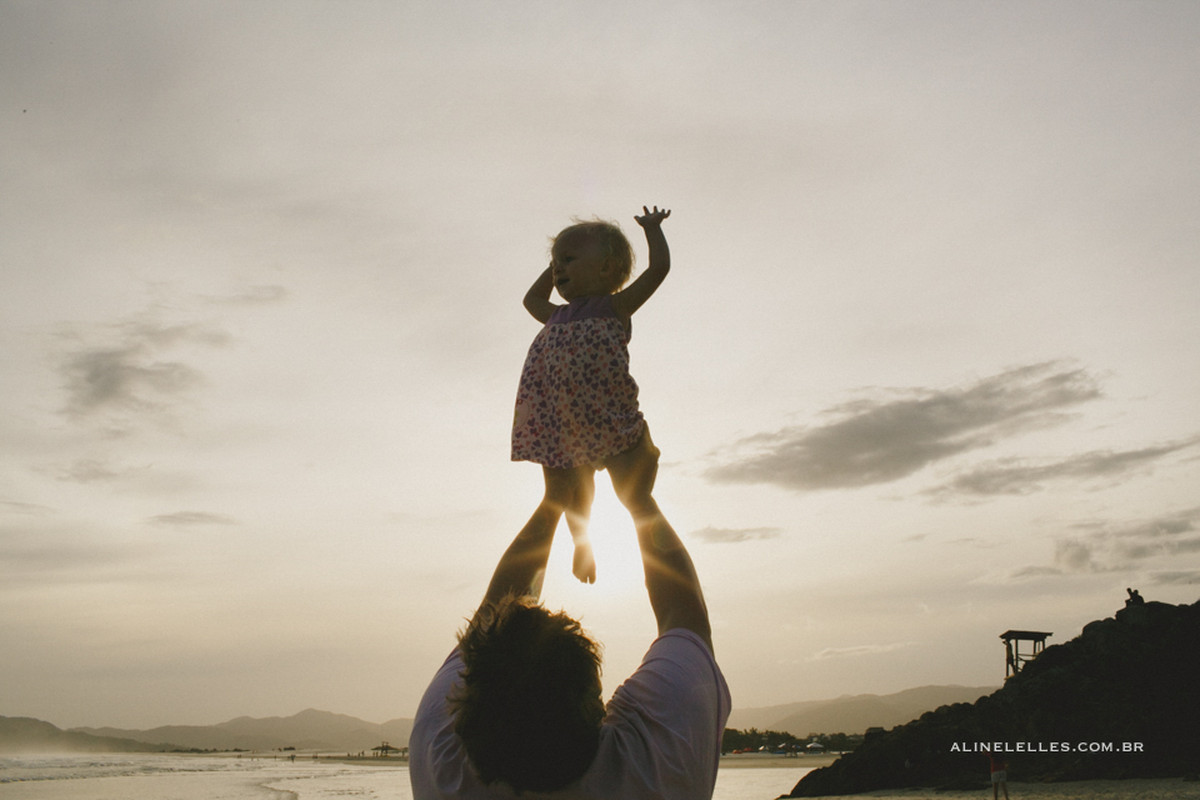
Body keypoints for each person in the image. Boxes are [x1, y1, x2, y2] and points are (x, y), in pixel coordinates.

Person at [408, 439, 730, 798]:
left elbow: (492, 617)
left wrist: (554, 500)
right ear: (595, 707)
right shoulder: (652, 770)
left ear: (470, 716)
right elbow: (685, 618)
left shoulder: (441, 766)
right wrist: (640, 501)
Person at [510, 205, 672, 583]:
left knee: (632, 492)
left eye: (568, 260)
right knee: (569, 495)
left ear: (606, 268)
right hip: (559, 423)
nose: (558, 269)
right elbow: (530, 300)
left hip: (607, 417)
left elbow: (658, 270)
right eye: (554, 263)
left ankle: (656, 556)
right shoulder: (554, 315)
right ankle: (583, 544)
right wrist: (554, 268)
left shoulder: (615, 307)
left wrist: (652, 230)